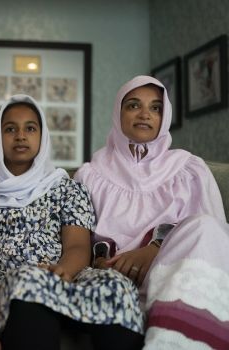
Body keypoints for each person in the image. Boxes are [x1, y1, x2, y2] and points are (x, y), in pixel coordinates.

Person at [0, 94, 145, 350]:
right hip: (15, 284)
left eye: (30, 128)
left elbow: (78, 247)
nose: (20, 136)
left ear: (42, 138)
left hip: (68, 277)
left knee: (116, 285)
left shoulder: (66, 188)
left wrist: (63, 272)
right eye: (10, 129)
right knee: (29, 279)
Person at [74, 75, 229, 349]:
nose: (145, 114)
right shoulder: (90, 176)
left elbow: (214, 238)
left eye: (156, 108)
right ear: (118, 114)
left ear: (164, 116)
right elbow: (76, 243)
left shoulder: (188, 169)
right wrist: (105, 264)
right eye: (133, 105)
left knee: (205, 226)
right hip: (115, 278)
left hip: (177, 272)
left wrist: (155, 249)